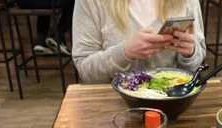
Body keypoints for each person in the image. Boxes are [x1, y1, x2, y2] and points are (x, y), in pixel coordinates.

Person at [72, 0, 206, 84]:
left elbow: (197, 62)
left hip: (171, 104)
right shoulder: (91, 3)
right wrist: (124, 53)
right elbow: (85, 70)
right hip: (111, 107)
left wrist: (190, 53)